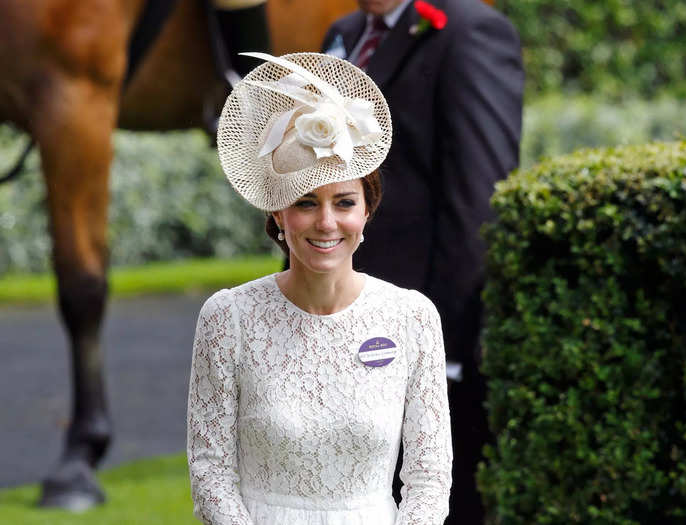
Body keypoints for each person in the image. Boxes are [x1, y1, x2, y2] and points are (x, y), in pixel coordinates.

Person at [187, 52, 452, 524]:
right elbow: (210, 473)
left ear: (366, 211)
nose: (326, 222)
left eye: (344, 202)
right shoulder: (228, 318)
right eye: (306, 202)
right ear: (277, 214)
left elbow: (429, 479)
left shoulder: (413, 318)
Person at [321, 1, 524, 522]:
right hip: (333, 324)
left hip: (422, 337)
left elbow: (479, 201)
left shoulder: (470, 33)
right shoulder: (342, 35)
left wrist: (443, 349)